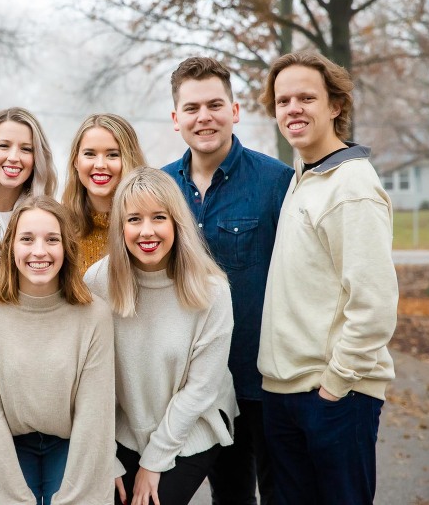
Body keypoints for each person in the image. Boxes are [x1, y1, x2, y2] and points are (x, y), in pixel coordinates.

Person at [257, 51, 398, 505]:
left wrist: (336, 384)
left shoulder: (352, 185)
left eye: (306, 97)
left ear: (335, 105)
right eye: (282, 101)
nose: (292, 109)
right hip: (287, 393)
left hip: (335, 396)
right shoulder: (305, 177)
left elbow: (374, 305)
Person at [160, 57, 293, 505]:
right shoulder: (160, 189)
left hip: (263, 382)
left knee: (279, 493)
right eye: (192, 108)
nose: (205, 117)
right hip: (195, 384)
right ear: (176, 118)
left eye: (215, 104)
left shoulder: (276, 182)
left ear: (234, 111)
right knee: (230, 496)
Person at [84, 167, 237, 505]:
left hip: (192, 426)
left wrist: (153, 463)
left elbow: (201, 388)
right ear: (120, 227)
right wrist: (105, 457)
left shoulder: (211, 290)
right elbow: (90, 381)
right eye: (134, 219)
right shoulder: (98, 282)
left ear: (176, 223)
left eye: (159, 218)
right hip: (125, 427)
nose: (147, 231)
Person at [0, 196, 115, 504]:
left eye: (52, 239)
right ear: (11, 248)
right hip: (8, 445)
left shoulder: (94, 315)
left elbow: (94, 417)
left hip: (70, 445)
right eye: (27, 239)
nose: (39, 251)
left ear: (66, 248)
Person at [61, 113, 148, 275]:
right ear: (75, 161)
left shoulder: (150, 227)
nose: (100, 164)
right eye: (90, 154)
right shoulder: (59, 226)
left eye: (113, 155)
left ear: (131, 159)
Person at [0, 107, 58, 232]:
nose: (13, 157)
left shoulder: (51, 218)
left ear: (37, 159)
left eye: (26, 149)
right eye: (4, 146)